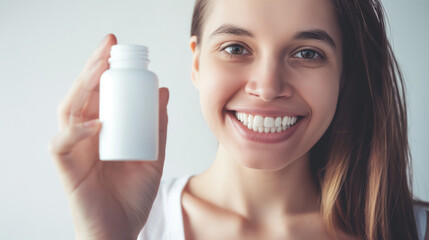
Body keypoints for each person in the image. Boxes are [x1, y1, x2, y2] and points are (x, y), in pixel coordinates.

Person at [49, 0, 429, 239]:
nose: (267, 87)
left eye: (308, 54)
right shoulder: (139, 228)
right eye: (235, 48)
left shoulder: (417, 229)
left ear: (344, 74)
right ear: (197, 63)